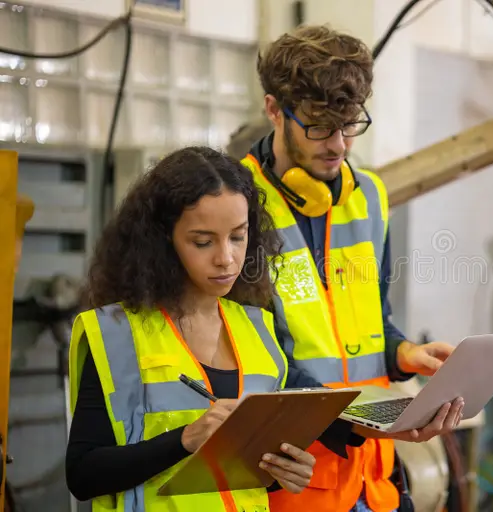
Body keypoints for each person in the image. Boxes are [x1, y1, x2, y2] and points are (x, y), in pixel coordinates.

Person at [240, 25, 465, 512]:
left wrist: (406, 353)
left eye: (349, 126)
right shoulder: (235, 207)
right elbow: (254, 361)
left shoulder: (368, 197)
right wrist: (351, 418)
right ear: (274, 110)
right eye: (319, 127)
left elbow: (370, 325)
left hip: (374, 482)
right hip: (296, 489)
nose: (338, 145)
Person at [64, 147, 360, 512]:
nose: (226, 257)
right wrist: (186, 439)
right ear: (162, 241)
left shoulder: (256, 329)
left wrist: (281, 472)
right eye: (203, 242)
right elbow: (82, 476)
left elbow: (230, 482)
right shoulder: (117, 335)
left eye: (238, 236)